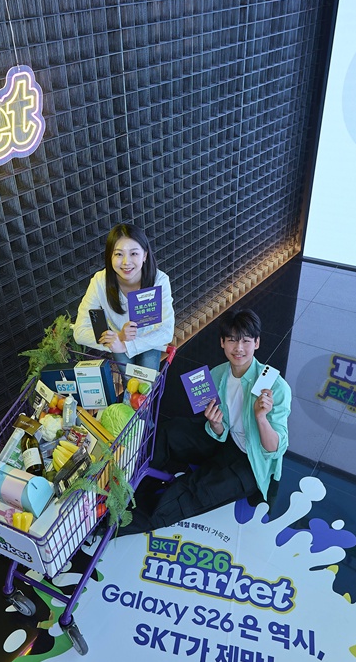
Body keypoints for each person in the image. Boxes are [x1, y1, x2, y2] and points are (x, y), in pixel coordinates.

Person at [118, 308, 290, 535]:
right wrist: (216, 424)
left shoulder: (276, 387)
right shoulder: (217, 374)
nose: (239, 348)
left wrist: (261, 418)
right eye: (232, 340)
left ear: (257, 343)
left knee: (189, 493)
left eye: (246, 341)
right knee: (169, 431)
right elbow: (221, 429)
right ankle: (128, 485)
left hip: (251, 460)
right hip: (225, 440)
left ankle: (115, 522)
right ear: (222, 342)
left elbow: (275, 450)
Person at [73, 223, 174, 371]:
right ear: (110, 256)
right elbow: (80, 331)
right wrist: (118, 338)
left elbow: (166, 331)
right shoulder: (99, 282)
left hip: (149, 338)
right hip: (118, 339)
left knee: (147, 381)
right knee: (129, 381)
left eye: (134, 253)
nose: (126, 262)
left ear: (145, 255)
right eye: (119, 254)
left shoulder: (159, 281)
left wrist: (127, 346)